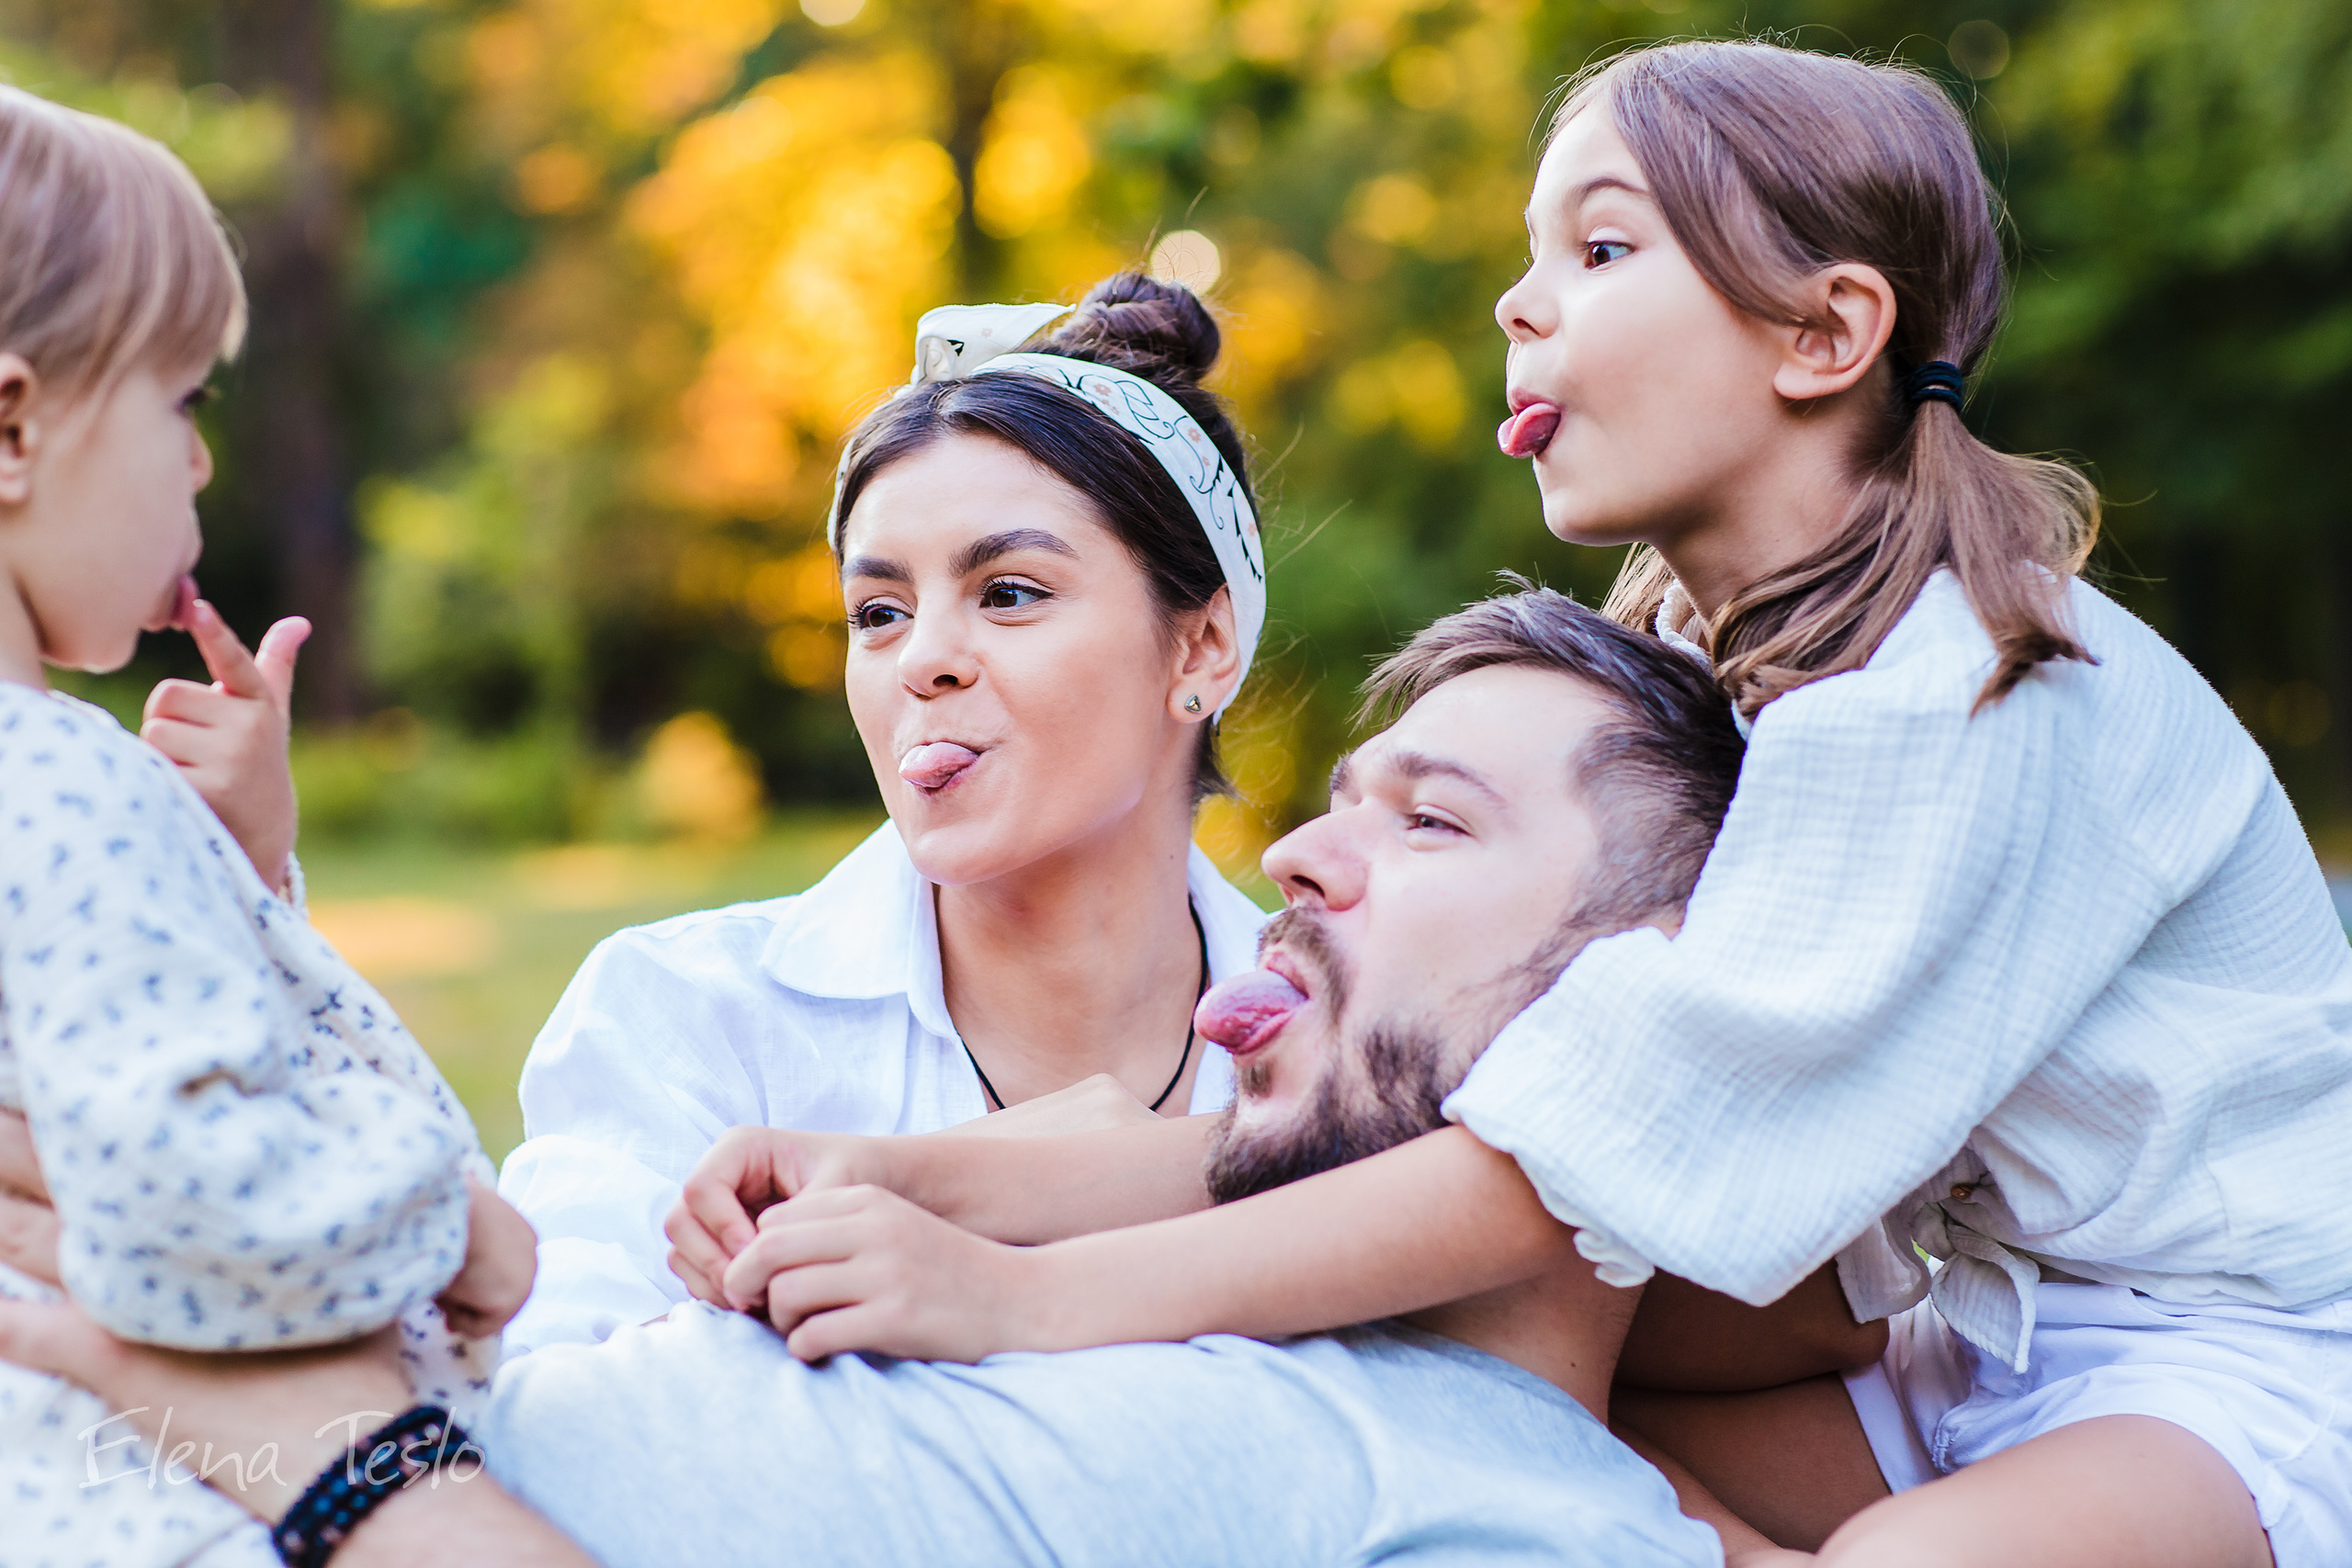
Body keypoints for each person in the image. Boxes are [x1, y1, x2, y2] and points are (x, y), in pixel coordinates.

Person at [669, 39, 2352, 1568]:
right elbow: (1458, 1145)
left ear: (1827, 333)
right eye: (1535, 254)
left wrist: (1026, 1300)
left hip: (2227, 1353)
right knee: (1515, 1389)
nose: (1519, 305)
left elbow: (1544, 1173)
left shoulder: (1973, 687)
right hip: (1962, 1337)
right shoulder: (1702, 641)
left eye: (1603, 249)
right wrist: (906, 1172)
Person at [0, 589, 1741, 1567]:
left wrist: (337, 1460)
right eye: (1341, 797)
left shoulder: (1520, 1517)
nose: (1293, 854)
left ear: (1654, 1009)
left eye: (1430, 820)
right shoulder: (1170, 1277)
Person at [495, 275, 1274, 1355]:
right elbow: (542, 1410)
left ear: (1201, 647)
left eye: (1008, 592)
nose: (922, 661)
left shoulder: (1354, 1036)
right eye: (878, 613)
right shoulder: (684, 1020)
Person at [0, 85, 536, 1568]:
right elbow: (194, 1199)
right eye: (181, 404)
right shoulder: (62, 780)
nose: (201, 463)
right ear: (10, 423)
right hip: (200, 1505)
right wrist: (454, 1214)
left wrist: (231, 874)